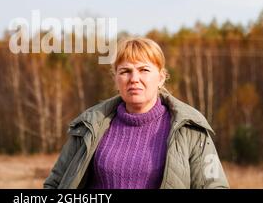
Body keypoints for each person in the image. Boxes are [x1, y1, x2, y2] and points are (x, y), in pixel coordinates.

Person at [44, 37, 229, 189]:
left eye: (144, 70)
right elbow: (55, 184)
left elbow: (215, 186)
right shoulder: (89, 126)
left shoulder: (190, 129)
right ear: (115, 78)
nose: (134, 79)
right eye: (125, 71)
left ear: (161, 77)